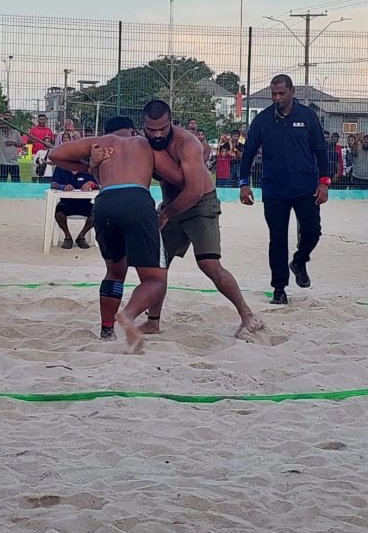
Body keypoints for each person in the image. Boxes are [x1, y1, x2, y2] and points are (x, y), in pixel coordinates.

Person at [104, 100, 264, 339]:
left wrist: (165, 214)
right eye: (152, 130)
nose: (157, 134)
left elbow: (194, 190)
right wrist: (96, 160)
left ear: (171, 122)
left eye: (162, 129)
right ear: (143, 126)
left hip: (200, 203)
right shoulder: (142, 144)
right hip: (170, 205)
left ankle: (247, 314)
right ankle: (153, 321)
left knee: (209, 264)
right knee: (157, 268)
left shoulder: (186, 142)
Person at [47, 116, 183, 352]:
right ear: (131, 130)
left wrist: (90, 166)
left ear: (106, 131)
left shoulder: (99, 143)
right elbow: (177, 177)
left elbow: (55, 155)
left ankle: (107, 329)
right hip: (137, 201)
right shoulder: (144, 144)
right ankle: (129, 314)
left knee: (114, 272)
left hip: (105, 203)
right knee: (155, 279)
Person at [238, 74, 329, 306]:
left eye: (281, 93)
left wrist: (323, 182)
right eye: (274, 94)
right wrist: (244, 183)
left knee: (312, 231)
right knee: (277, 239)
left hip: (306, 188)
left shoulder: (307, 117)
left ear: (292, 92)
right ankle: (279, 288)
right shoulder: (263, 120)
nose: (277, 98)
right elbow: (248, 151)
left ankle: (299, 261)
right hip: (274, 190)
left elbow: (320, 150)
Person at [50, 166, 98, 250]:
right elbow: (53, 184)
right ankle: (67, 237)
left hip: (85, 203)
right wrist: (63, 187)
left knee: (97, 213)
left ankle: (81, 236)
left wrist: (91, 184)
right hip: (66, 203)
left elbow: (99, 186)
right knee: (58, 213)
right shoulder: (60, 168)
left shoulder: (88, 169)